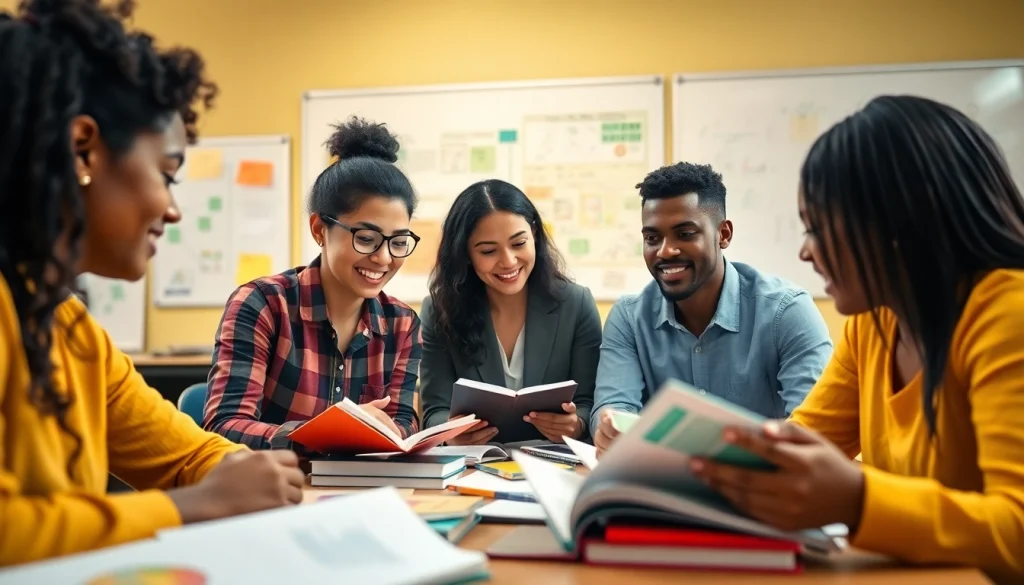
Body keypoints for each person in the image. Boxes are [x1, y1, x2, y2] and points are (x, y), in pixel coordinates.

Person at [0, 0, 304, 567]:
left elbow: (186, 456)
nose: (173, 210)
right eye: (167, 175)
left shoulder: (71, 330)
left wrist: (252, 474)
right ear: (82, 150)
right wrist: (193, 507)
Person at [688, 96, 1024, 582]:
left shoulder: (1008, 312)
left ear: (898, 223)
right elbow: (801, 441)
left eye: (817, 228)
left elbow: (1015, 530)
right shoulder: (877, 322)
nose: (805, 252)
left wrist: (858, 499)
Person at [205, 117, 422, 451]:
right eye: (366, 238)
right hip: (277, 481)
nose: (383, 258)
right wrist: (329, 433)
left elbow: (403, 423)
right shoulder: (262, 305)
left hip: (365, 483)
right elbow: (225, 427)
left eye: (398, 242)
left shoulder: (402, 324)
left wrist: (396, 433)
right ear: (319, 229)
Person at [592, 162, 832, 455]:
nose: (666, 251)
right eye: (652, 238)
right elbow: (613, 408)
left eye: (685, 234)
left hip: (764, 480)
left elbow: (815, 433)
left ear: (723, 234)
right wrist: (609, 427)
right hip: (661, 477)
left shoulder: (787, 311)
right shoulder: (629, 318)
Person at [420, 179, 601, 445]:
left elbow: (590, 401)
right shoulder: (439, 311)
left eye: (518, 243)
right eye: (488, 251)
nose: (508, 261)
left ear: (534, 234)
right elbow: (434, 412)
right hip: (473, 463)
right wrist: (451, 433)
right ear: (465, 254)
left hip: (555, 462)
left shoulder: (577, 304)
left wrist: (577, 424)